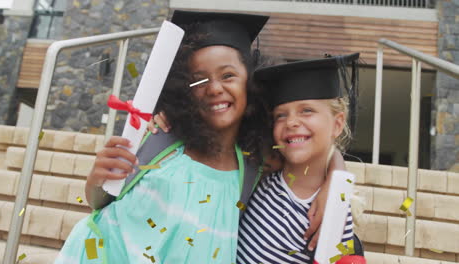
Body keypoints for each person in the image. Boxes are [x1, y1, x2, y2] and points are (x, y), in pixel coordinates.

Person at [54, 10, 270, 263]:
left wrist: (331, 168)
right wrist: (96, 180)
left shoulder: (252, 167)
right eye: (198, 81)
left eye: (228, 76)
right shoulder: (159, 137)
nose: (214, 88)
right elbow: (100, 202)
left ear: (251, 83)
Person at [236, 53, 360, 264]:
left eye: (307, 111)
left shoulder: (333, 213)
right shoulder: (262, 176)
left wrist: (336, 180)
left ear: (337, 124)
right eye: (280, 115)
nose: (292, 122)